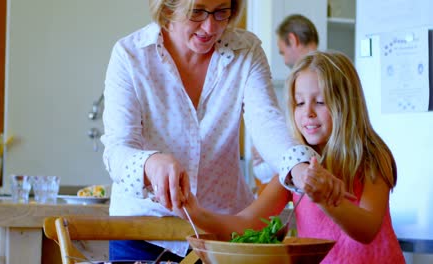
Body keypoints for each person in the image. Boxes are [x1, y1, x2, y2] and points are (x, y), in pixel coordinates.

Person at [100, 0, 315, 261]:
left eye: (221, 11)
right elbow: (117, 149)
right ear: (169, 7)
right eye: (197, 11)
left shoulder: (246, 51)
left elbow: (267, 122)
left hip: (220, 232)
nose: (210, 26)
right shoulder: (131, 55)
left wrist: (298, 166)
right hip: (143, 234)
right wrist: (149, 163)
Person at [178, 51, 405, 263]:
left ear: (346, 105)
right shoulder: (295, 166)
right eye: (299, 103)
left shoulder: (372, 155)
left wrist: (323, 198)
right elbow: (247, 223)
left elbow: (366, 229)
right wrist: (196, 213)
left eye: (320, 102)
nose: (308, 113)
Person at [252, 14, 319, 187]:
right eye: (300, 103)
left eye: (282, 52)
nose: (283, 59)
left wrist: (269, 151)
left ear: (292, 39)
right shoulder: (325, 71)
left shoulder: (315, 75)